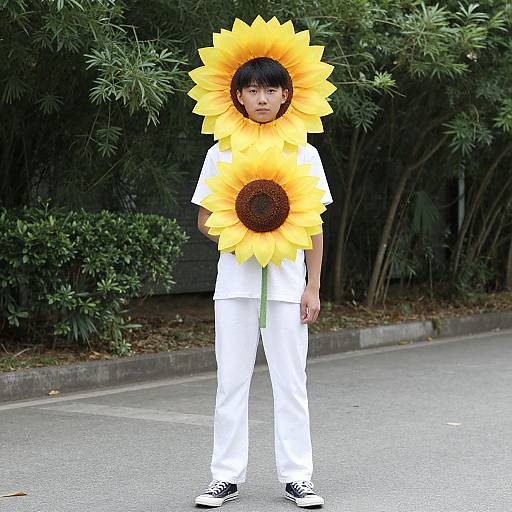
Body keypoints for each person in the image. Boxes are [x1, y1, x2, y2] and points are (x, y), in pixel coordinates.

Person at [191, 57, 333, 508]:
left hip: (289, 289)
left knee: (291, 383)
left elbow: (314, 226)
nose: (262, 98)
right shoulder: (221, 152)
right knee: (230, 383)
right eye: (252, 90)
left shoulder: (304, 152)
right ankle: (225, 477)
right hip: (233, 286)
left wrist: (312, 285)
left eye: (270, 90)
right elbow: (203, 220)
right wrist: (247, 233)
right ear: (237, 96)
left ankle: (298, 477)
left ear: (287, 94)